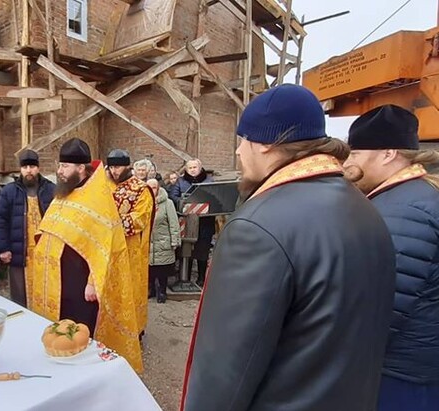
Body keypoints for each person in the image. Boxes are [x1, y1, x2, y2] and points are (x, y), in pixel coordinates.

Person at [181, 84, 396, 411]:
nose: (238, 151)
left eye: (243, 139)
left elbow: (224, 371)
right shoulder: (365, 207)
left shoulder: (257, 226)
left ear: (266, 143)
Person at [343, 105, 439, 411]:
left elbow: (383, 305)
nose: (348, 163)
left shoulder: (403, 210)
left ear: (387, 154)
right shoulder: (413, 195)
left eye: (356, 154)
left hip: (401, 374)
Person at [30, 138, 142, 372]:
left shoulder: (97, 198)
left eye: (65, 166)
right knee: (61, 326)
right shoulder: (65, 192)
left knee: (80, 330)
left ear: (81, 168)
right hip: (58, 278)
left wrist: (92, 282)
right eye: (59, 165)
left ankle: (84, 372)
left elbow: (106, 244)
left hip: (81, 280)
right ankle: (62, 363)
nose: (59, 171)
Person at [0, 150, 55, 307]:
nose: (29, 170)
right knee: (20, 298)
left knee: (48, 294)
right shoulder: (9, 191)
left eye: (32, 167)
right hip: (19, 252)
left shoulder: (51, 189)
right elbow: (0, 220)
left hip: (46, 252)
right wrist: (3, 248)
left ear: (38, 168)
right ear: (20, 169)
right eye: (25, 167)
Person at [107, 149, 154, 334]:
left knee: (130, 289)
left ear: (127, 167)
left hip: (130, 250)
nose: (114, 171)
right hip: (107, 248)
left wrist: (110, 223)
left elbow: (140, 218)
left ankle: (134, 331)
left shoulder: (141, 189)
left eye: (117, 167)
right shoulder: (104, 187)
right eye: (111, 167)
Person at [169, 158, 214, 287]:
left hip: (205, 222)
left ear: (200, 168)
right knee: (186, 249)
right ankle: (185, 278)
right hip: (187, 221)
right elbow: (173, 196)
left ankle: (201, 278)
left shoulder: (209, 181)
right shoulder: (180, 182)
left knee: (203, 250)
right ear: (186, 169)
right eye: (190, 168)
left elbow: (214, 197)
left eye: (195, 167)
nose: (193, 170)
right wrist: (186, 204)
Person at [146, 179, 179, 304]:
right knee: (149, 269)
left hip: (163, 241)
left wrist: (175, 240)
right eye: (149, 187)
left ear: (158, 188)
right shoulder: (142, 203)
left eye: (154, 187)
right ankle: (151, 290)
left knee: (162, 270)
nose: (151, 190)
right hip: (148, 243)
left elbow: (173, 223)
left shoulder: (167, 203)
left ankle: (162, 291)